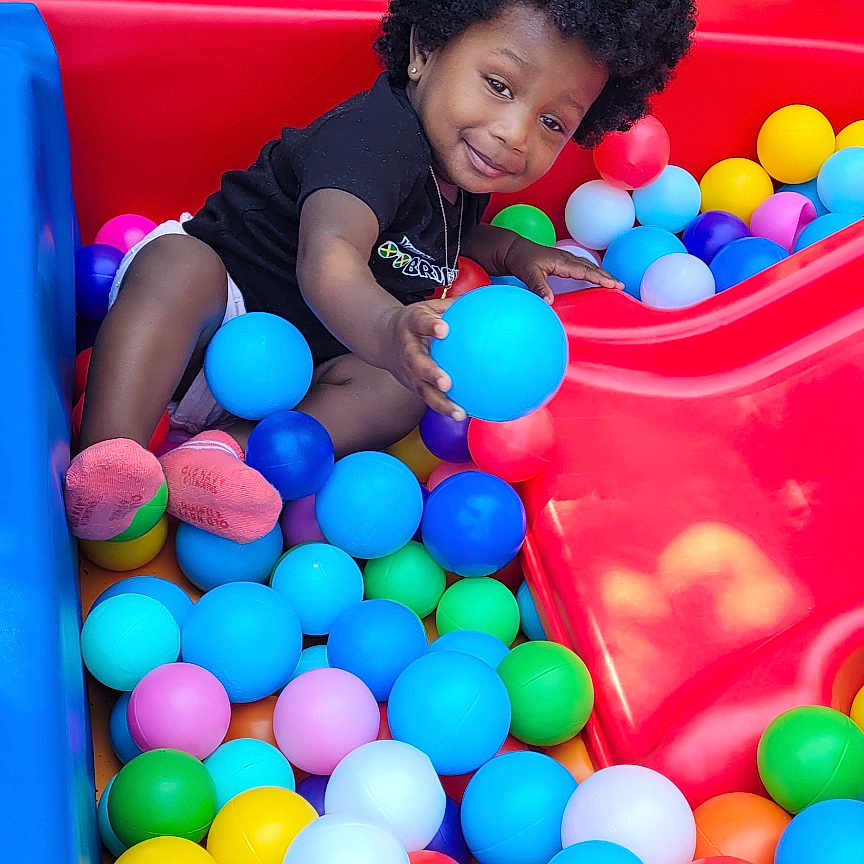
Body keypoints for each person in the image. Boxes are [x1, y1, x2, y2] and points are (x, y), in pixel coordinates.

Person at [65, 0, 696, 544]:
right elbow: (330, 255)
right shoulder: (374, 139)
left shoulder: (459, 160)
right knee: (176, 265)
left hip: (304, 370)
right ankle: (109, 464)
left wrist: (510, 252)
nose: (513, 133)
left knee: (403, 389)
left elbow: (437, 231)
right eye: (500, 85)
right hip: (211, 315)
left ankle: (221, 455)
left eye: (553, 122)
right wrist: (391, 326)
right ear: (426, 47)